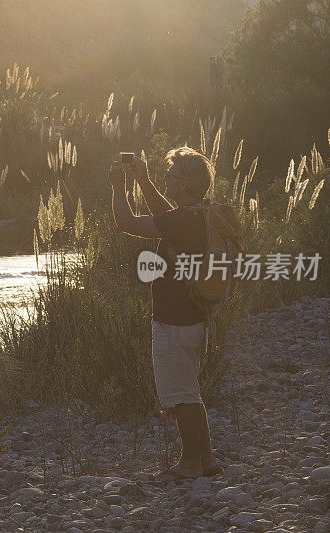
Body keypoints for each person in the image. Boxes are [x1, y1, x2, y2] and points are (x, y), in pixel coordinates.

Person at [109, 146, 222, 479]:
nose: (166, 178)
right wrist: (142, 180)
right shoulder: (198, 214)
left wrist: (118, 187)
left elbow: (126, 223)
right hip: (194, 316)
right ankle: (206, 460)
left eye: (171, 176)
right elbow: (165, 216)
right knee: (190, 389)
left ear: (185, 183)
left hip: (174, 320)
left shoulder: (183, 220)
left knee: (181, 393)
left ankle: (189, 464)